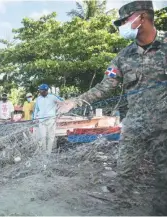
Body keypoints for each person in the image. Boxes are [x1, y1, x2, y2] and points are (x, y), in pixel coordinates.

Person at [57, 1, 166, 214]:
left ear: (141, 17)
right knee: (124, 172)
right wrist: (76, 101)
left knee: (164, 175)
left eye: (125, 20)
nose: (122, 26)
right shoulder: (124, 56)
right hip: (135, 125)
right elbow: (105, 86)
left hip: (164, 126)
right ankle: (120, 211)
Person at [33, 84, 63, 154]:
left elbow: (62, 102)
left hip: (51, 120)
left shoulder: (53, 97)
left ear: (46, 91)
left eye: (42, 90)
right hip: (41, 121)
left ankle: (48, 153)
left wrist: (59, 112)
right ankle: (44, 152)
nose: (40, 92)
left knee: (51, 137)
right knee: (43, 137)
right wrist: (34, 119)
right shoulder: (38, 99)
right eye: (40, 90)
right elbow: (36, 109)